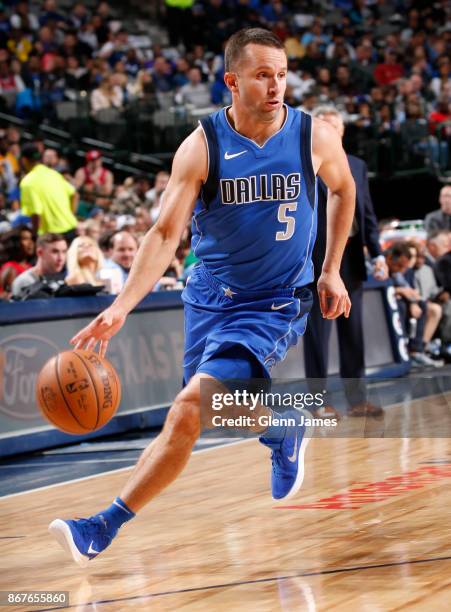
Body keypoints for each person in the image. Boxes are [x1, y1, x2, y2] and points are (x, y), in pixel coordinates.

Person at [49, 28, 355, 566]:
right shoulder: (202, 145)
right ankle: (283, 424)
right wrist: (120, 306)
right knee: (202, 413)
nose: (276, 86)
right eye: (262, 75)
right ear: (232, 81)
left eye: (281, 74)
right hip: (210, 297)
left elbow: (343, 189)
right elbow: (165, 233)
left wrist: (330, 270)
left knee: (190, 406)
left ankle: (101, 527)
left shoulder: (313, 136)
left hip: (275, 300)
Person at [303, 106, 388, 418]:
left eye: (335, 126)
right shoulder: (304, 164)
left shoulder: (357, 165)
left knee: (353, 334)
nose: (331, 131)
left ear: (341, 132)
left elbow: (366, 213)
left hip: (350, 258)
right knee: (317, 335)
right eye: (325, 126)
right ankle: (317, 403)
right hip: (314, 261)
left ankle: (357, 399)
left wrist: (377, 252)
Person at [19, 144, 78, 241]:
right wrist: (71, 215)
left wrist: (34, 237)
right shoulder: (54, 173)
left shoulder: (27, 182)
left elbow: (36, 213)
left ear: (24, 160)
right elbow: (75, 194)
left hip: (52, 236)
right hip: (71, 229)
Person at [11, 232, 67, 298]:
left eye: (64, 252)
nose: (60, 258)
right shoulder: (24, 281)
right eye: (55, 252)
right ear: (40, 252)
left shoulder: (64, 278)